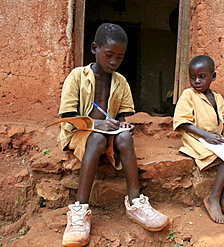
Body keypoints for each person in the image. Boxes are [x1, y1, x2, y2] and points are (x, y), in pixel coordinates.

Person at [58, 23, 169, 247]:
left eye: (119, 58)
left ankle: (136, 202)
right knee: (97, 137)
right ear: (94, 49)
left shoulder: (121, 82)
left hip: (108, 131)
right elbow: (68, 115)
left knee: (125, 137)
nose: (113, 62)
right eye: (109, 55)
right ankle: (80, 210)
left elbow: (122, 116)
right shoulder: (77, 76)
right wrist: (97, 123)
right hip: (80, 133)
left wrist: (123, 126)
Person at [173, 55, 224, 224]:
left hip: (215, 139)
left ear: (213, 76)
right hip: (197, 138)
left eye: (202, 76)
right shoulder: (188, 95)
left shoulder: (218, 97)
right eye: (192, 77)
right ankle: (213, 198)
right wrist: (205, 134)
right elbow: (182, 122)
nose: (196, 81)